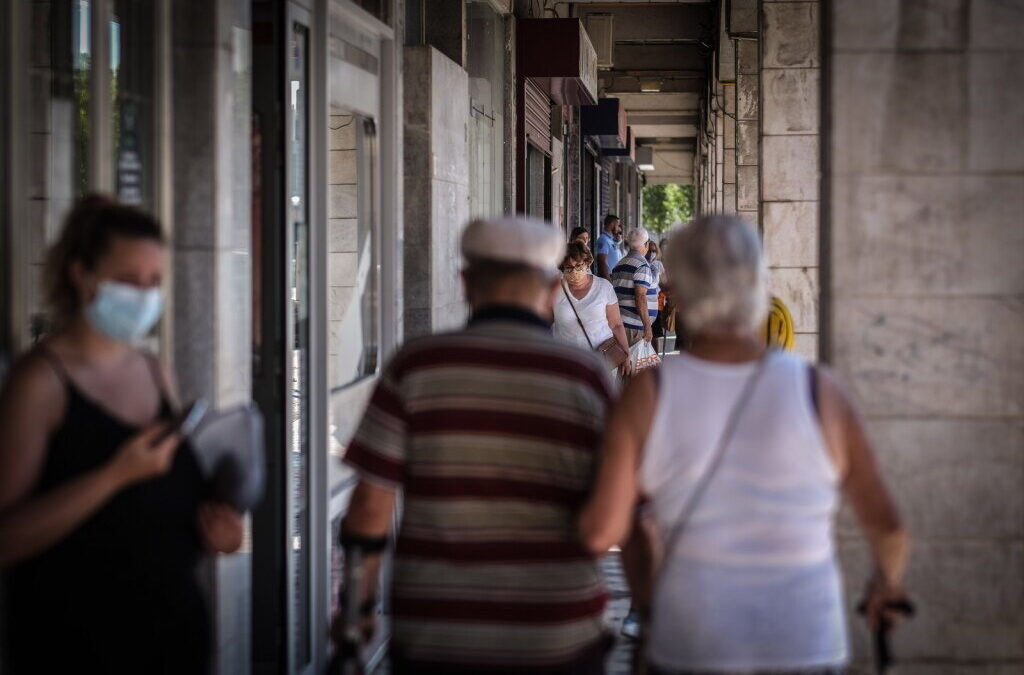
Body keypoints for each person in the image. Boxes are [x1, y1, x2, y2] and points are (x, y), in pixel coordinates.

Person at [579, 215, 910, 675]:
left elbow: (602, 531)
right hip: (804, 640)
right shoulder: (820, 391)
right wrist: (885, 586)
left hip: (690, 639)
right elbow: (889, 527)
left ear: (677, 290)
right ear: (759, 281)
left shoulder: (648, 395)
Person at [333, 217, 614, 674]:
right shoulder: (585, 377)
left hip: (436, 631)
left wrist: (357, 610)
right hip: (556, 630)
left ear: (465, 283)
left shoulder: (415, 367)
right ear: (549, 290)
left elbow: (369, 507)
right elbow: (614, 514)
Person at [0, 196, 244, 674]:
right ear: (81, 275)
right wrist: (113, 476)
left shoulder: (156, 373)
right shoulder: (40, 383)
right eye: (129, 280)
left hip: (173, 637)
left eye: (155, 282)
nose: (145, 296)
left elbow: (160, 501)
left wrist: (219, 529)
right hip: (77, 644)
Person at [553, 242, 631, 377]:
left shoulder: (603, 287)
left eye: (578, 266)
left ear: (587, 263)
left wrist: (626, 354)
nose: (574, 271)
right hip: (566, 361)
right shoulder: (554, 290)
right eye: (568, 268)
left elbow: (616, 324)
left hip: (602, 360)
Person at [611, 227, 658, 346]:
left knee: (626, 363)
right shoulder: (642, 266)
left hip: (622, 324)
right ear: (646, 244)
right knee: (635, 363)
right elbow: (640, 297)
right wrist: (647, 326)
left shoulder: (619, 264)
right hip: (635, 327)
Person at [594, 214, 623, 280]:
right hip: (609, 278)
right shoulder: (604, 239)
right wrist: (608, 280)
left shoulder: (611, 240)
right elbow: (601, 261)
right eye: (617, 225)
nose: (618, 228)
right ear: (612, 224)